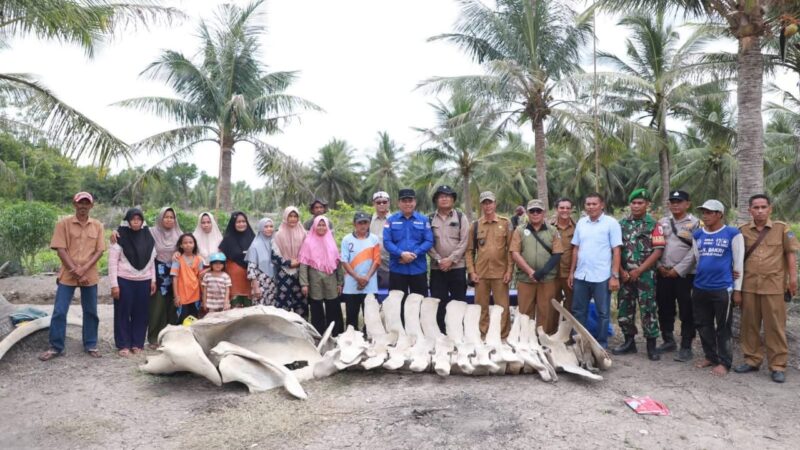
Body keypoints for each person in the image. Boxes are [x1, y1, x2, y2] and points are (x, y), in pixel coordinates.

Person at [733, 194, 799, 383]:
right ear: (749, 210)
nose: (760, 210)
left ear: (770, 208)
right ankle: (752, 360)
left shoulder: (782, 229)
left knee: (775, 327)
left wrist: (792, 280)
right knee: (749, 326)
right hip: (749, 286)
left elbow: (790, 254)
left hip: (774, 286)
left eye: (763, 207)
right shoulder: (742, 231)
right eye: (756, 207)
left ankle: (777, 365)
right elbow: (736, 257)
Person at [39, 192, 106, 361]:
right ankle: (56, 347)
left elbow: (99, 251)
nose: (83, 206)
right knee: (60, 311)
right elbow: (60, 249)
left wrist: (84, 270)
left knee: (90, 311)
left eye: (86, 203)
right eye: (80, 203)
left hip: (89, 274)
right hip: (67, 274)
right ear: (74, 204)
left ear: (91, 205)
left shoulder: (97, 225)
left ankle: (90, 344)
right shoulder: (63, 224)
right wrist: (76, 270)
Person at [691, 199, 743, 377]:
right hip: (700, 287)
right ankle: (710, 356)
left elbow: (738, 263)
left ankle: (725, 362)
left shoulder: (732, 233)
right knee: (703, 324)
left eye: (710, 212)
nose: (705, 215)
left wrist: (737, 290)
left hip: (722, 288)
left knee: (723, 327)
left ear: (720, 214)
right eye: (704, 212)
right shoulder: (698, 235)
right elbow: (698, 259)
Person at [612, 189, 665, 361]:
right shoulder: (620, 225)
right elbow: (615, 250)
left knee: (648, 309)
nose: (636, 206)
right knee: (625, 307)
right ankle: (629, 342)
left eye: (640, 203)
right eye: (633, 203)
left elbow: (658, 251)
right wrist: (621, 271)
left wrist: (639, 270)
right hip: (624, 275)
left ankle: (651, 345)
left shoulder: (654, 225)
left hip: (645, 276)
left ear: (647, 205)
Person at [568, 193, 622, 349]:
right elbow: (576, 248)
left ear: (602, 205)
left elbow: (616, 251)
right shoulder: (581, 223)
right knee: (579, 311)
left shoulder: (611, 223)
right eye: (588, 204)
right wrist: (572, 272)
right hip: (581, 275)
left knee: (603, 313)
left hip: (602, 276)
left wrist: (614, 276)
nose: (590, 207)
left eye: (594, 204)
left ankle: (601, 344)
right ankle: (579, 342)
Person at [656, 190, 699, 362]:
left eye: (679, 201)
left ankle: (686, 346)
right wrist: (659, 266)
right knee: (664, 307)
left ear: (687, 204)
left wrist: (678, 269)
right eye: (672, 201)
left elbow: (694, 251)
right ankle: (668, 340)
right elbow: (656, 247)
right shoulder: (662, 223)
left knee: (686, 310)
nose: (675, 204)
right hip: (663, 273)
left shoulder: (696, 223)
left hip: (685, 275)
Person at [510, 199, 563, 334]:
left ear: (543, 213)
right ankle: (525, 340)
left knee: (545, 311)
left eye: (538, 211)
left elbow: (557, 254)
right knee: (524, 312)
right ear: (527, 213)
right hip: (526, 279)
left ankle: (542, 339)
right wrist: (531, 272)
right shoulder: (519, 230)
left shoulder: (553, 231)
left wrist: (541, 273)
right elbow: (515, 253)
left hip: (546, 279)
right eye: (532, 211)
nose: (535, 214)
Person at [108, 208, 156, 357]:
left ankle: (137, 343)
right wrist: (114, 284)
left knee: (141, 314)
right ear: (128, 221)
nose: (136, 221)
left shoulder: (148, 237)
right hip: (124, 281)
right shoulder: (119, 237)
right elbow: (112, 263)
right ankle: (123, 344)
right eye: (133, 219)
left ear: (142, 221)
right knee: (123, 313)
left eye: (138, 219)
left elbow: (151, 261)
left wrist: (153, 280)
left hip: (144, 281)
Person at [467, 191, 513, 338]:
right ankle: (483, 334)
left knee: (503, 307)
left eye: (490, 202)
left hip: (500, 273)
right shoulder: (474, 226)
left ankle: (502, 335)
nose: (487, 206)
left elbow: (511, 250)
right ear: (481, 205)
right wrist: (471, 272)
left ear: (495, 203)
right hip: (480, 274)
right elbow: (469, 251)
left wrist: (509, 271)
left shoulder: (505, 223)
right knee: (481, 307)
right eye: (484, 203)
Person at [428, 185, 469, 332]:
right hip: (437, 268)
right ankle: (441, 331)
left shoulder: (460, 216)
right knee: (438, 301)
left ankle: (458, 330)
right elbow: (428, 243)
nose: (444, 199)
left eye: (448, 196)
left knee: (459, 300)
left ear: (453, 200)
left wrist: (451, 259)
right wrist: (439, 260)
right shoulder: (430, 218)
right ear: (436, 200)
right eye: (441, 196)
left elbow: (465, 240)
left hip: (457, 267)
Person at [383, 188, 434, 297]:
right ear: (398, 203)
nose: (407, 204)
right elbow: (387, 242)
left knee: (419, 302)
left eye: (410, 201)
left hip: (418, 268)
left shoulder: (423, 220)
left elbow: (429, 240)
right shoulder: (391, 220)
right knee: (397, 303)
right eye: (404, 201)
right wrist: (401, 254)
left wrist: (413, 254)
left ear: (415, 202)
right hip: (397, 268)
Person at [299, 216, 344, 335]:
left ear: (327, 227)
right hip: (315, 279)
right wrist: (304, 284)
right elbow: (303, 264)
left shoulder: (331, 241)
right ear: (314, 226)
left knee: (333, 306)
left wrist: (340, 282)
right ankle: (318, 334)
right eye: (319, 224)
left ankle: (335, 333)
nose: (321, 227)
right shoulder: (308, 241)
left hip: (331, 279)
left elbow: (338, 263)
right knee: (316, 308)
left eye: (324, 225)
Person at [147, 207, 183, 346]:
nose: (169, 220)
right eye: (166, 217)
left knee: (173, 304)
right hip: (157, 272)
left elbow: (187, 249)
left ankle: (169, 337)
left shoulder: (180, 234)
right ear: (160, 218)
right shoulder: (151, 232)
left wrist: (179, 253)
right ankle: (154, 337)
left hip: (175, 273)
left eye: (172, 217)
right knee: (157, 306)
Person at [340, 212, 381, 330]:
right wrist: (358, 277)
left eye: (365, 222)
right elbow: (344, 260)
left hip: (370, 285)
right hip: (351, 286)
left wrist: (367, 277)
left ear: (369, 224)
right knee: (351, 319)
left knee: (370, 318)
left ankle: (370, 340)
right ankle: (352, 341)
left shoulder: (374, 239)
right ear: (354, 224)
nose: (363, 226)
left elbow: (377, 260)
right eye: (360, 223)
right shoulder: (347, 239)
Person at [273, 206, 308, 316]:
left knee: (301, 303)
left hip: (300, 272)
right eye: (290, 216)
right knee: (283, 304)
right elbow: (274, 255)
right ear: (285, 217)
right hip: (284, 273)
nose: (293, 219)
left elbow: (308, 251)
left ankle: (302, 329)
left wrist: (299, 261)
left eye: (295, 216)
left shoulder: (304, 234)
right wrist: (287, 263)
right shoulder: (278, 234)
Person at [219, 211, 256, 308]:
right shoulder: (227, 239)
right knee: (235, 309)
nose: (241, 224)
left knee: (249, 309)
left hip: (250, 279)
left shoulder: (253, 238)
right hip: (234, 280)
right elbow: (221, 259)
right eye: (238, 222)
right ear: (233, 223)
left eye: (244, 221)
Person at [550, 197, 576, 313]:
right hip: (552, 274)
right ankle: (550, 331)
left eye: (568, 208)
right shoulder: (548, 226)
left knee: (571, 305)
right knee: (551, 305)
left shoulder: (578, 227)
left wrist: (573, 273)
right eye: (562, 208)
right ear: (556, 209)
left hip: (569, 274)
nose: (565, 210)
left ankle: (568, 330)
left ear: (571, 210)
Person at [171, 233, 203, 323]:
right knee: (181, 320)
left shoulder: (199, 259)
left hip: (195, 294)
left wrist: (203, 295)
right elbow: (175, 278)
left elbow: (200, 278)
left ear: (194, 244)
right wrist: (176, 296)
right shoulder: (177, 259)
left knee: (194, 320)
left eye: (190, 242)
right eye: (185, 243)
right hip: (182, 296)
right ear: (181, 245)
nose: (188, 245)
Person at [246, 218, 277, 307]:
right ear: (260, 228)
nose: (269, 229)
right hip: (261, 284)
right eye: (266, 227)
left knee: (273, 312)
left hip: (273, 284)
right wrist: (255, 287)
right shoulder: (255, 246)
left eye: (271, 226)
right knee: (260, 311)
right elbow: (251, 269)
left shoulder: (275, 243)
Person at [370, 191, 392, 289]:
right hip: (371, 265)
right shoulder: (368, 220)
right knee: (371, 296)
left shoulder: (395, 219)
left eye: (384, 201)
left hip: (389, 264)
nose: (381, 204)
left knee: (390, 295)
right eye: (378, 202)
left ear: (389, 202)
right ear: (374, 204)